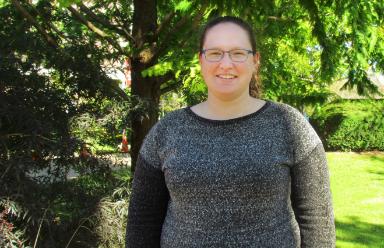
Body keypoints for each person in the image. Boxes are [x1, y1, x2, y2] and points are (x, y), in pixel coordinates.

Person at [126, 16, 335, 248]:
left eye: (238, 53)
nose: (226, 64)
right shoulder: (166, 131)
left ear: (255, 61)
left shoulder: (290, 125)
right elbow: (142, 224)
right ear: (201, 60)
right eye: (215, 53)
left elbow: (317, 223)